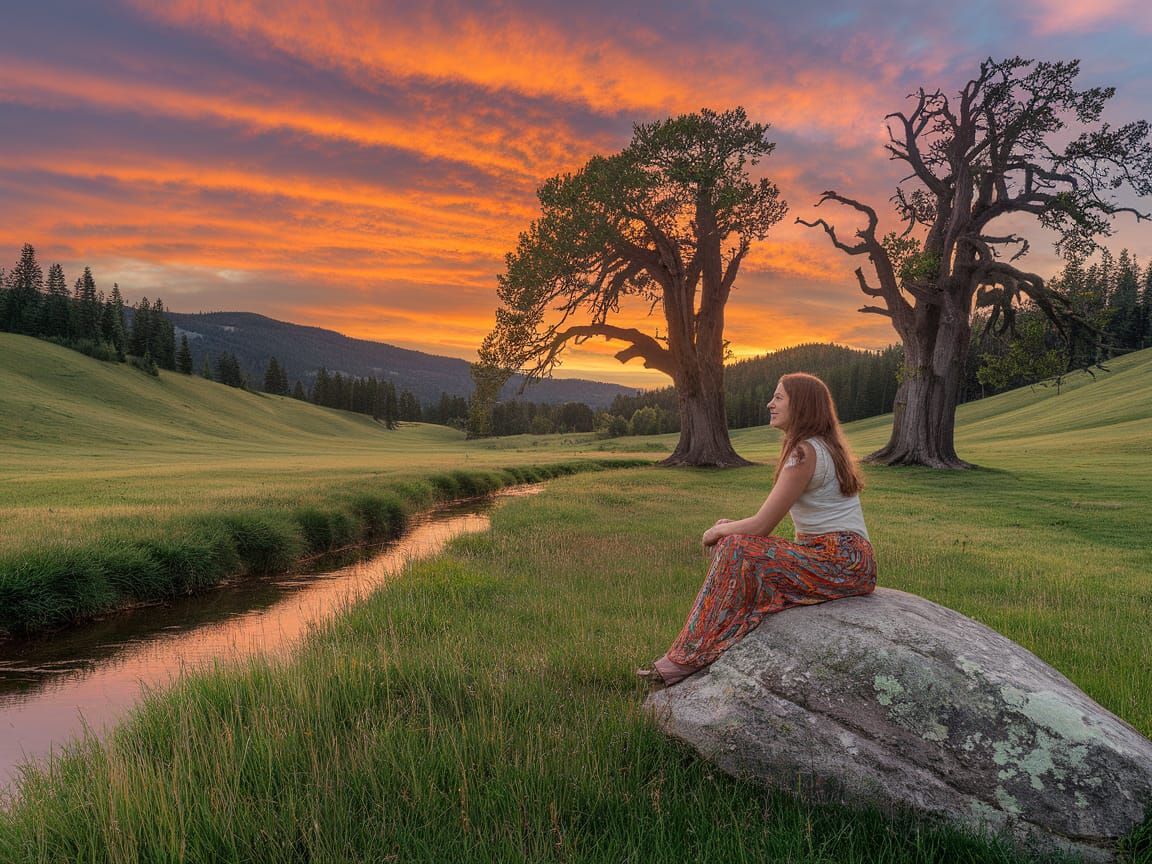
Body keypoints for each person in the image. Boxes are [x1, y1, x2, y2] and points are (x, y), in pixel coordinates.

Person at [638, 372, 877, 688]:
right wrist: (731, 530)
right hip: (850, 560)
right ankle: (705, 649)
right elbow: (761, 526)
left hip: (837, 559)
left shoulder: (804, 452)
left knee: (736, 547)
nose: (770, 403)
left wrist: (716, 532)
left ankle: (684, 659)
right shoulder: (822, 446)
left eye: (779, 397)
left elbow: (763, 525)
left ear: (801, 406)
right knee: (737, 545)